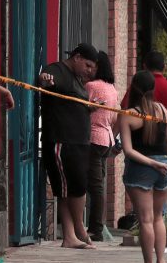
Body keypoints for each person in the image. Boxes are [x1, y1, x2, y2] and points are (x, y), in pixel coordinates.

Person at [38, 43, 99, 250]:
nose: (89, 71)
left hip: (78, 141)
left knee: (74, 188)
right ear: (77, 57)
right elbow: (45, 81)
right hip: (62, 141)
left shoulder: (77, 80)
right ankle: (76, 232)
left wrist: (88, 108)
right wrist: (45, 80)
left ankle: (71, 235)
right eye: (88, 65)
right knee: (68, 189)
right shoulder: (56, 70)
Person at [120, 70, 167, 263]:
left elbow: (128, 150)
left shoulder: (129, 116)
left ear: (133, 88)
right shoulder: (162, 110)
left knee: (145, 219)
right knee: (158, 218)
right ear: (153, 89)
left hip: (141, 169)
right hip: (164, 167)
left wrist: (151, 164)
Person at [121, 51, 167, 157]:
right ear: (164, 67)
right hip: (163, 145)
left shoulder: (136, 86)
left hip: (137, 146)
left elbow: (123, 110)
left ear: (144, 66)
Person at [85, 51, 119, 242]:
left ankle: (96, 229)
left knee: (95, 186)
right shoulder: (112, 89)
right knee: (99, 184)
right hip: (106, 139)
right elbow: (114, 117)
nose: (90, 69)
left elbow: (81, 108)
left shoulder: (91, 86)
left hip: (93, 138)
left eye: (93, 66)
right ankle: (97, 225)